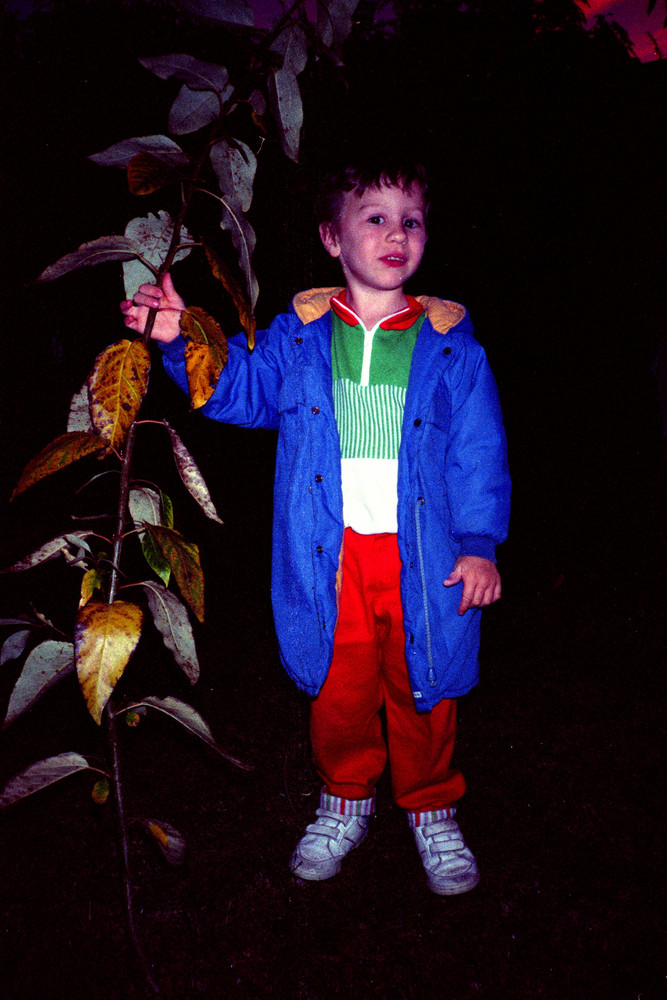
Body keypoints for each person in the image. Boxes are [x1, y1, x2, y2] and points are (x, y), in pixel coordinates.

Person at [121, 155, 511, 895]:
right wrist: (176, 340)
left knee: (427, 681)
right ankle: (344, 798)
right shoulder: (297, 338)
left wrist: (478, 543)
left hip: (426, 557)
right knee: (338, 686)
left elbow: (478, 454)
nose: (396, 234)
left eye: (411, 221)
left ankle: (431, 807)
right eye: (376, 218)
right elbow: (235, 389)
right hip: (328, 555)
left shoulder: (452, 348)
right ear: (332, 238)